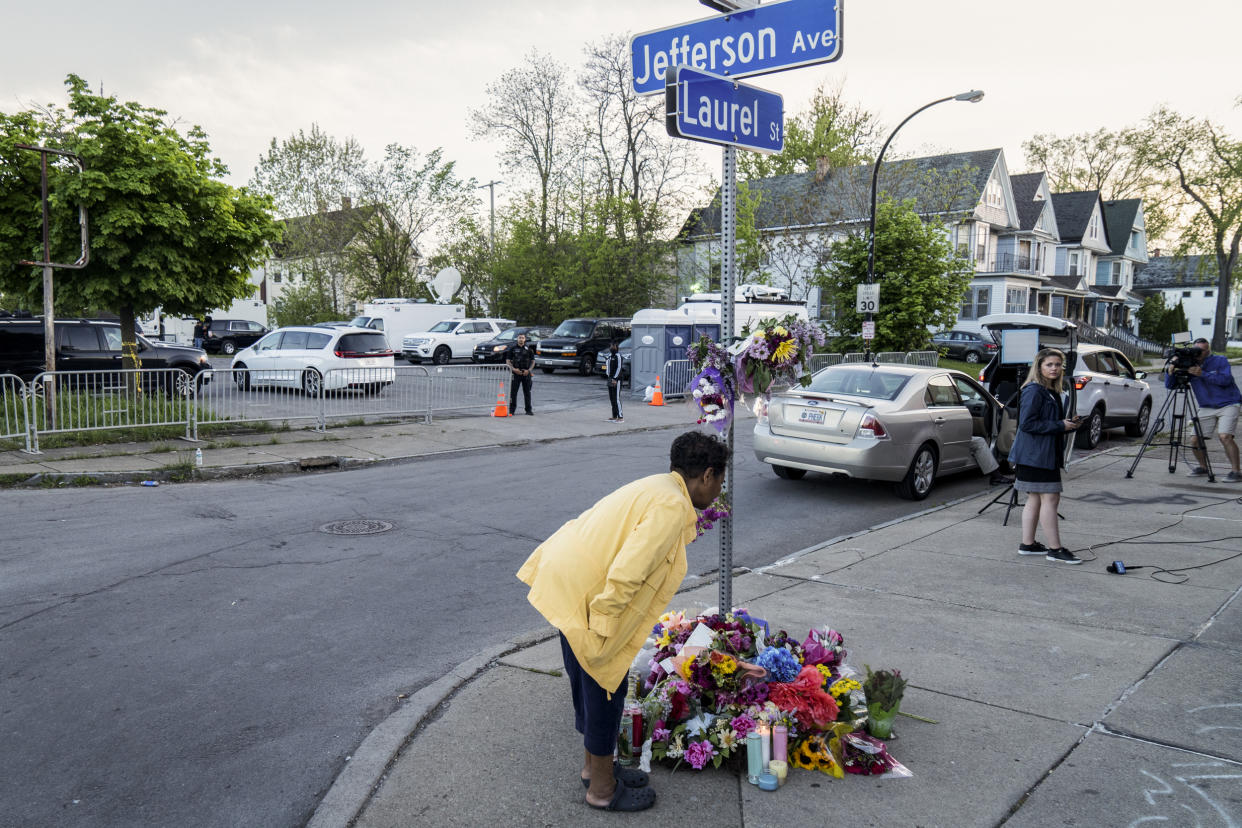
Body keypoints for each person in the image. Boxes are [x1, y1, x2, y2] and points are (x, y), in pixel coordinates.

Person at [516, 430, 727, 812]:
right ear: (707, 475)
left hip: (571, 581)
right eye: (720, 483)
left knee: (588, 683)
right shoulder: (671, 507)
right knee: (604, 690)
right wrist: (605, 622)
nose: (718, 493)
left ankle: (594, 768)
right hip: (591, 593)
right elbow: (629, 572)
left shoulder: (662, 486)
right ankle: (601, 790)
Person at [1008, 348, 1083, 564]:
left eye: (1058, 365)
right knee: (1050, 498)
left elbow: (1043, 422)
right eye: (1049, 364)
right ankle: (1055, 549)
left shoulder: (1049, 390)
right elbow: (1027, 423)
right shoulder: (1034, 390)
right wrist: (1060, 425)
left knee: (1035, 498)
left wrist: (1067, 424)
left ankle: (1028, 544)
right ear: (1039, 366)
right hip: (1035, 455)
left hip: (1039, 454)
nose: (1054, 368)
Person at [1167, 337, 1242, 482]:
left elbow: (1226, 380)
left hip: (1229, 403)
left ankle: (1236, 471)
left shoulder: (1220, 360)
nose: (1199, 353)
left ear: (1208, 351)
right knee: (1194, 440)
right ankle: (1203, 467)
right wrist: (1170, 369)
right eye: (1197, 350)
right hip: (1206, 406)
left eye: (1202, 350)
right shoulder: (1189, 364)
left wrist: (1203, 374)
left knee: (1225, 436)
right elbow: (1171, 386)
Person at [505, 332, 535, 415]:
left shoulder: (529, 349)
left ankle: (528, 410)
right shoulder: (512, 348)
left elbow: (533, 362)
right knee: (513, 393)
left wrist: (529, 370)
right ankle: (512, 410)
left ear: (525, 339)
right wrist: (513, 369)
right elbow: (507, 361)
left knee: (527, 392)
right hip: (516, 373)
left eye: (522, 338)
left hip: (526, 373)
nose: (521, 339)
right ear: (517, 339)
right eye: (519, 337)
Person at [604, 340, 624, 423]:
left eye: (613, 346)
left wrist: (615, 379)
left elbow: (619, 368)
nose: (611, 348)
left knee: (616, 398)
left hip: (617, 380)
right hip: (610, 378)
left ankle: (620, 417)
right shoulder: (610, 356)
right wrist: (609, 376)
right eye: (610, 346)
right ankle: (614, 416)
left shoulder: (618, 356)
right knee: (612, 398)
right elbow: (608, 367)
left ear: (616, 347)